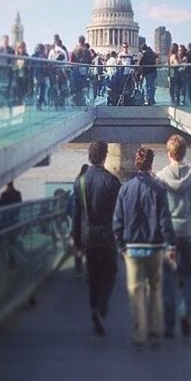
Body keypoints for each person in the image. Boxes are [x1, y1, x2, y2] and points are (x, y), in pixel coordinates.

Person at [113, 146, 176, 347]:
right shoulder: (159, 188)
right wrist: (171, 244)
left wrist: (121, 246)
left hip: (132, 248)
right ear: (151, 164)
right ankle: (155, 330)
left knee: (136, 292)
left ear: (136, 163)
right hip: (154, 246)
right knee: (155, 289)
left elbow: (117, 221)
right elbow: (164, 220)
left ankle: (139, 334)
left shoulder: (125, 188)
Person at [156, 135, 191, 339]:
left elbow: (157, 208)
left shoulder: (160, 177)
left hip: (169, 234)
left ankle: (168, 324)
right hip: (188, 230)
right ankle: (186, 314)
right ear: (184, 152)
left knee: (168, 278)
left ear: (169, 153)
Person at [73, 143, 121, 337]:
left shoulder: (80, 183)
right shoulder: (113, 182)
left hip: (89, 239)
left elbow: (77, 216)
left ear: (89, 156)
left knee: (92, 278)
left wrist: (77, 242)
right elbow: (119, 214)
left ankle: (94, 308)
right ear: (104, 157)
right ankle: (101, 309)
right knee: (110, 275)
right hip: (108, 238)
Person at [67, 163, 89, 276]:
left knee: (78, 244)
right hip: (86, 222)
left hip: (77, 222)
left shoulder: (75, 187)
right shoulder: (88, 187)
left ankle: (78, 268)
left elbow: (69, 208)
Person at [0, 181, 22, 267]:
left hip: (5, 221)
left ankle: (5, 261)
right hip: (14, 221)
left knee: (4, 241)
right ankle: (12, 259)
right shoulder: (17, 193)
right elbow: (19, 206)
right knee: (12, 241)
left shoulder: (4, 194)